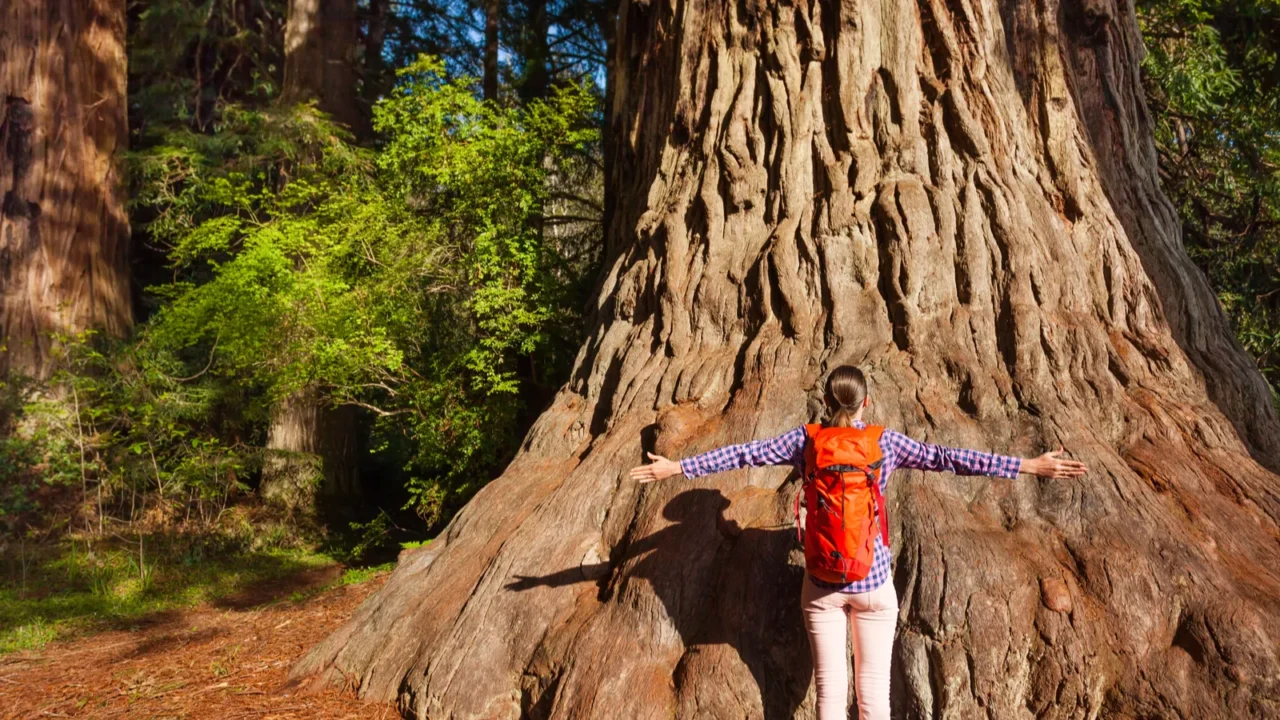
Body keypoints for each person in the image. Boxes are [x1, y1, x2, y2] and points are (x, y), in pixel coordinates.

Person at [629, 365, 1087, 720]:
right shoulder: (885, 443)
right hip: (874, 582)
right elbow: (947, 457)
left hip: (822, 585)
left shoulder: (805, 441)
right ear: (866, 402)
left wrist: (677, 467)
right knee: (873, 697)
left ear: (825, 401)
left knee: (829, 694)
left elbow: (743, 453)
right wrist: (1028, 465)